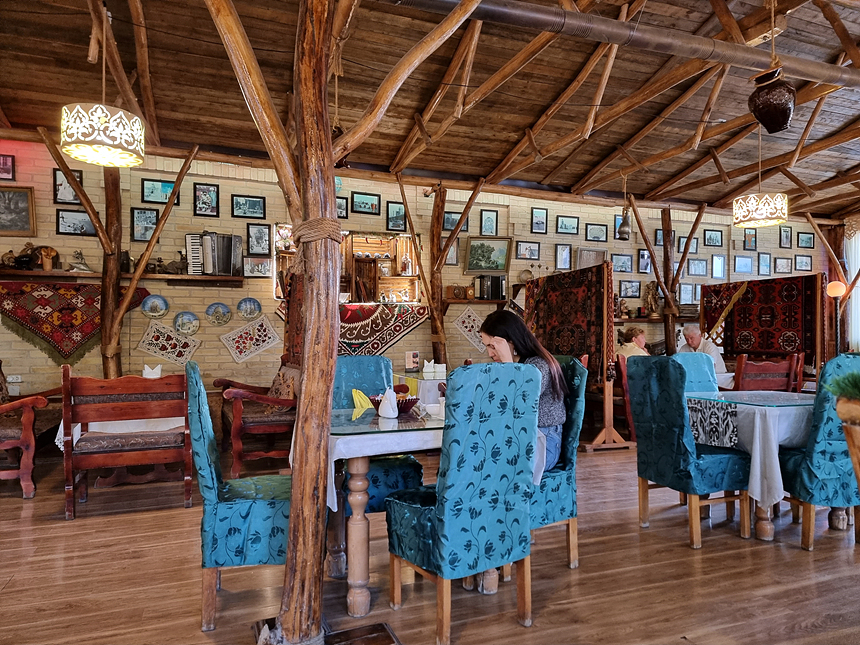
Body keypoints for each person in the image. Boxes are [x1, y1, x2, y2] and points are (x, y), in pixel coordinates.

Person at [479, 310, 568, 472]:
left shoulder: (538, 366)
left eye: (493, 346)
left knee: (488, 465)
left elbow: (519, 402)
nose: (490, 353)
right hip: (516, 437)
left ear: (511, 341)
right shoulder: (509, 366)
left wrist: (507, 362)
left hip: (543, 442)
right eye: (487, 346)